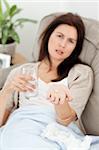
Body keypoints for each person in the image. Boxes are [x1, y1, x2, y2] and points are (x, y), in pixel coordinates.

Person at [0, 13, 93, 149]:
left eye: (71, 41)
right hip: (22, 127)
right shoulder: (21, 71)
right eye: (60, 36)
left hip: (57, 132)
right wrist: (7, 90)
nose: (62, 44)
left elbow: (67, 120)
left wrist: (61, 101)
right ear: (48, 35)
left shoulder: (81, 73)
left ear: (75, 47)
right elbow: (1, 122)